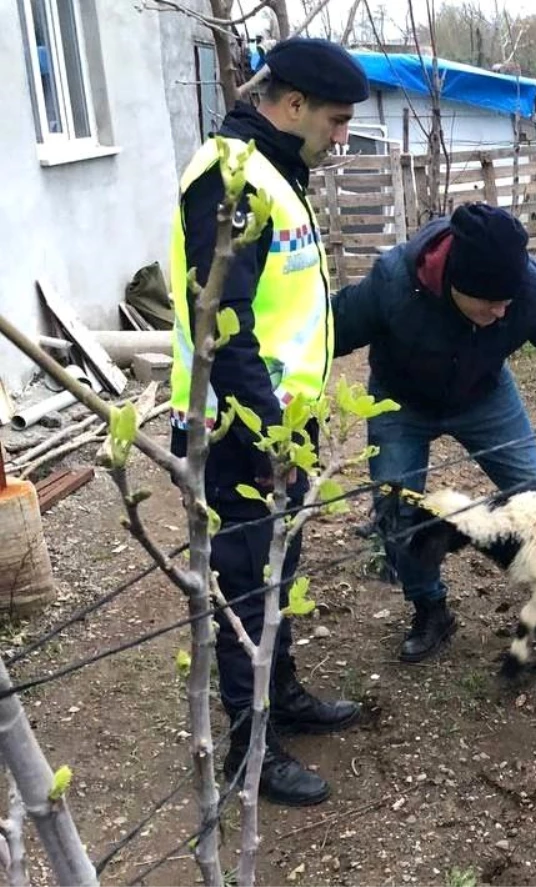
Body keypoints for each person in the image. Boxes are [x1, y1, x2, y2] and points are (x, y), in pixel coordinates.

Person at [168, 37, 369, 808]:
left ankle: (280, 696)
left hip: (280, 422)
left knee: (277, 569)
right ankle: (251, 753)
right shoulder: (232, 179)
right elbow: (219, 320)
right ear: (290, 107)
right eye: (337, 118)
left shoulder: (274, 170)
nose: (342, 134)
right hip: (236, 430)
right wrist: (265, 436)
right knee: (244, 583)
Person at [332, 202, 536, 662]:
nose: (503, 313)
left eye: (508, 303)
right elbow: (330, 330)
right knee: (396, 506)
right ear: (456, 284)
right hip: (401, 399)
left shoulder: (523, 289)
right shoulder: (394, 283)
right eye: (490, 304)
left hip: (483, 396)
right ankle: (430, 609)